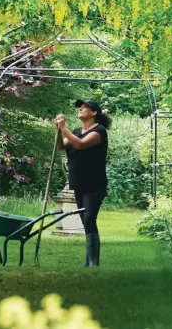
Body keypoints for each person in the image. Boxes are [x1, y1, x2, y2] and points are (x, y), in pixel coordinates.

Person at [55, 99, 112, 267]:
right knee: (85, 219)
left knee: (88, 218)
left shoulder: (99, 131)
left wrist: (64, 128)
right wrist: (58, 130)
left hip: (95, 184)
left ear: (94, 113)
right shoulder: (76, 131)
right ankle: (90, 260)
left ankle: (93, 262)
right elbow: (60, 146)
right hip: (78, 183)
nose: (80, 109)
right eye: (80, 107)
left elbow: (80, 145)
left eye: (85, 107)